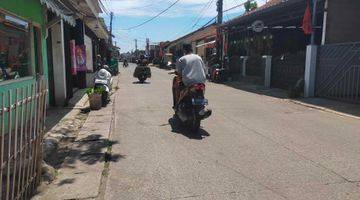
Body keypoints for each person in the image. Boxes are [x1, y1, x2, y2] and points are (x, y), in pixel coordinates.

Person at [173, 44, 207, 108]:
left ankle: (177, 105)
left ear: (184, 51)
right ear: (192, 50)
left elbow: (179, 73)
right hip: (201, 81)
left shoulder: (182, 59)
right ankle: (202, 105)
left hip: (189, 82)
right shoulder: (198, 57)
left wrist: (177, 73)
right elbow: (204, 69)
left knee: (177, 86)